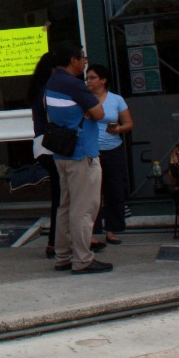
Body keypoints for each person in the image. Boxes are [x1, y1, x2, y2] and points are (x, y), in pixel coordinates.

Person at [45, 42, 110, 274]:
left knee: (65, 206)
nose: (85, 62)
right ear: (73, 60)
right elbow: (100, 113)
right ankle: (83, 259)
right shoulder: (75, 85)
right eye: (82, 58)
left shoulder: (52, 82)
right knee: (83, 208)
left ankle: (62, 256)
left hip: (61, 153)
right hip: (83, 153)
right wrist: (87, 107)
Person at [87, 64, 131, 245]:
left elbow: (129, 123)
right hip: (91, 150)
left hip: (113, 149)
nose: (88, 81)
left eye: (92, 78)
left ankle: (112, 230)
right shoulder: (85, 98)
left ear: (103, 80)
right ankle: (91, 230)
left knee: (114, 190)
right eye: (87, 78)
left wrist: (119, 128)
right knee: (91, 192)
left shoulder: (116, 99)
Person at [28, 53, 62, 259]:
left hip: (40, 145)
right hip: (52, 146)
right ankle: (56, 242)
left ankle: (55, 241)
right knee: (62, 196)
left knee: (59, 195)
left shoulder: (37, 89)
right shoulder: (49, 90)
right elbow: (55, 117)